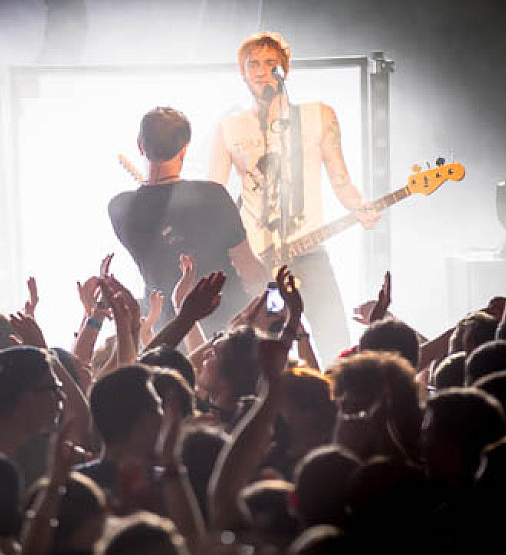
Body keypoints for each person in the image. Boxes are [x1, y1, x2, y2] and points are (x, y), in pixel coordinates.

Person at [209, 31, 380, 365]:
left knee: (332, 335)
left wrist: (360, 206)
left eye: (270, 63)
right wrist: (229, 249)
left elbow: (341, 180)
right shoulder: (230, 127)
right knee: (259, 344)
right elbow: (215, 193)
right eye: (253, 64)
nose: (262, 71)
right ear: (243, 73)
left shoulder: (318, 116)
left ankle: (336, 390)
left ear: (284, 70)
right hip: (256, 258)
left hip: (308, 248)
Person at [108, 106, 266, 337]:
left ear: (140, 145)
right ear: (184, 149)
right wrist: (272, 296)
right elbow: (248, 266)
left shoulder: (119, 207)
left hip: (168, 332)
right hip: (226, 327)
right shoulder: (212, 196)